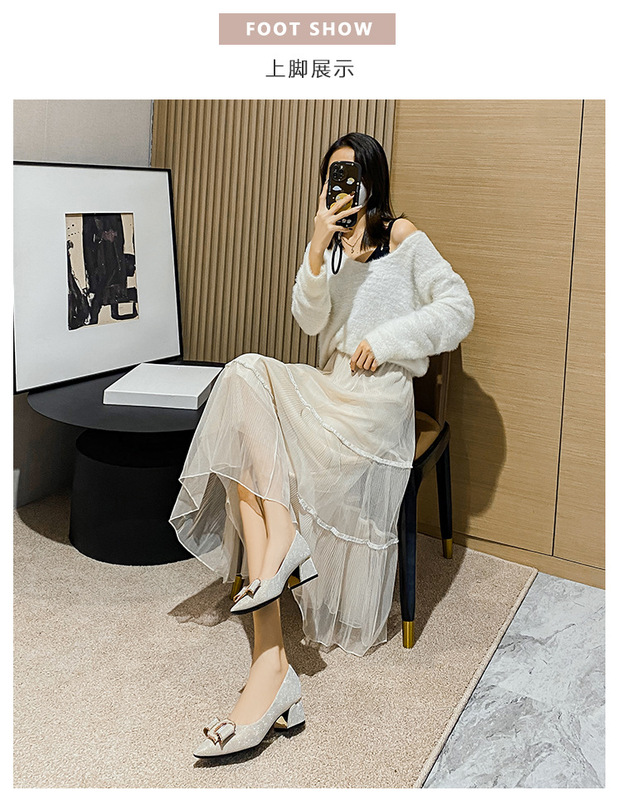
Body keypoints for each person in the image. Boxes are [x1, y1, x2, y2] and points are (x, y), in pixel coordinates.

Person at [168, 132, 475, 758]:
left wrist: (387, 340)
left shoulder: (402, 237)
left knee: (251, 461)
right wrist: (314, 248)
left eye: (352, 173)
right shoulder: (330, 247)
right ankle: (275, 637)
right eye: (333, 174)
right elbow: (308, 321)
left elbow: (458, 308)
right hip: (330, 387)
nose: (341, 184)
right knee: (243, 376)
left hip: (378, 404)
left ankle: (270, 672)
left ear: (372, 179)